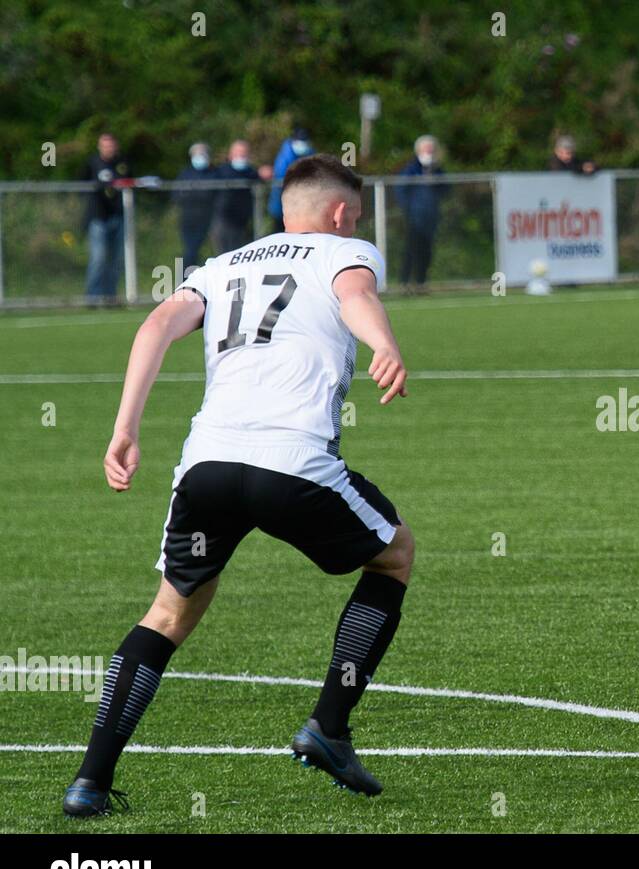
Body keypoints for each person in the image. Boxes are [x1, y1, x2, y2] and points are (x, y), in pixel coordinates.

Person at [62, 154, 414, 817]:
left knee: (168, 612)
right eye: (356, 216)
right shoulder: (343, 250)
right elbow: (356, 296)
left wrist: (125, 428)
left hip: (208, 465)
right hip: (293, 461)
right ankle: (328, 728)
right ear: (340, 215)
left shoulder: (223, 264)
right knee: (394, 554)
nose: (357, 225)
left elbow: (155, 325)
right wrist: (383, 343)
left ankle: (89, 781)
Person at [81, 133, 130, 301]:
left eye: (111, 145)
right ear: (99, 147)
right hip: (98, 217)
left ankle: (110, 296)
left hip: (118, 216)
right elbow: (82, 184)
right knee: (99, 257)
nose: (109, 148)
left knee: (116, 258)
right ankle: (93, 296)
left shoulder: (122, 162)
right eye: (105, 145)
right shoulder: (92, 162)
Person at [394, 135, 445, 286]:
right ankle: (404, 282)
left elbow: (446, 188)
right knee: (411, 249)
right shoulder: (411, 169)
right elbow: (401, 190)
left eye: (431, 149)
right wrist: (408, 208)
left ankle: (421, 282)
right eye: (426, 148)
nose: (429, 152)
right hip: (414, 217)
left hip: (431, 216)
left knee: (427, 250)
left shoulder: (437, 170)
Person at [173, 142, 217, 275]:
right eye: (197, 154)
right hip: (189, 218)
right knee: (190, 251)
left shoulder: (214, 173)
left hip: (209, 218)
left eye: (202, 154)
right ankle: (185, 281)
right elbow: (176, 195)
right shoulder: (185, 173)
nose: (200, 157)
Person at [211, 140, 262, 253]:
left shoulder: (251, 172)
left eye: (244, 154)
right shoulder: (222, 171)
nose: (241, 157)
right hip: (224, 219)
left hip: (243, 221)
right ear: (231, 155)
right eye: (238, 153)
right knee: (223, 253)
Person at [268, 128, 314, 233]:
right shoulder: (285, 155)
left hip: (304, 206)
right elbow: (280, 175)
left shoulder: (310, 152)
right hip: (281, 206)